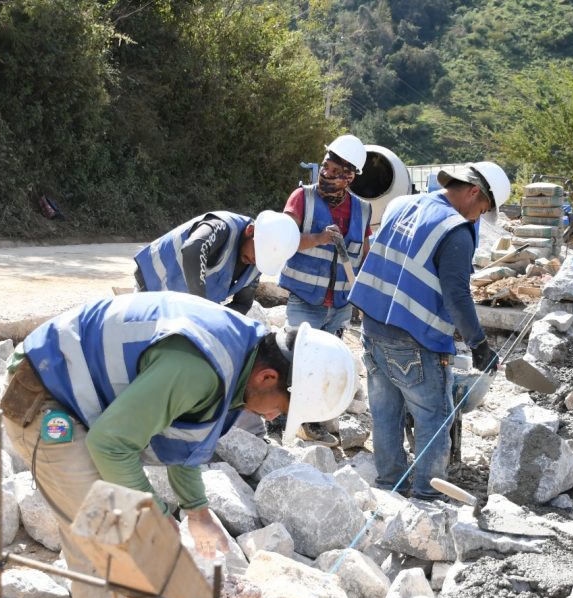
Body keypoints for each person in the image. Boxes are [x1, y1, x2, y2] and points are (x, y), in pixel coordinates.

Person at [0, 292, 355, 598]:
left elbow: (186, 429)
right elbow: (110, 444)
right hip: (46, 401)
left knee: (127, 534)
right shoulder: (200, 368)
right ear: (268, 377)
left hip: (83, 404)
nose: (271, 418)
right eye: (280, 410)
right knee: (103, 544)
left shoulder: (244, 355)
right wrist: (154, 515)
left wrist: (196, 509)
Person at [349, 161, 510, 500]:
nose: (478, 217)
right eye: (483, 209)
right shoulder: (455, 229)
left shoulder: (402, 205)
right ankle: (427, 496)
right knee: (434, 418)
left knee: (385, 414)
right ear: (473, 192)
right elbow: (457, 294)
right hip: (415, 340)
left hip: (373, 328)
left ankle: (390, 486)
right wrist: (479, 344)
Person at [279, 134, 372, 444]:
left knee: (325, 365)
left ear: (350, 176)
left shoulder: (362, 210)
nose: (328, 175)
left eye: (336, 172)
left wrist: (366, 298)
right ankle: (279, 418)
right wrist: (318, 238)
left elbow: (365, 257)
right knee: (293, 358)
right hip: (305, 299)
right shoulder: (302, 198)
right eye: (326, 168)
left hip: (341, 305)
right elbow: (282, 241)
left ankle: (313, 421)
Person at [133, 210, 300, 314]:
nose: (255, 260)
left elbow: (242, 304)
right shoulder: (224, 226)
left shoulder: (257, 264)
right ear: (251, 231)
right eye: (259, 252)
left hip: (175, 307)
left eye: (264, 258)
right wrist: (200, 305)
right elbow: (193, 249)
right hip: (151, 283)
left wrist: (214, 318)